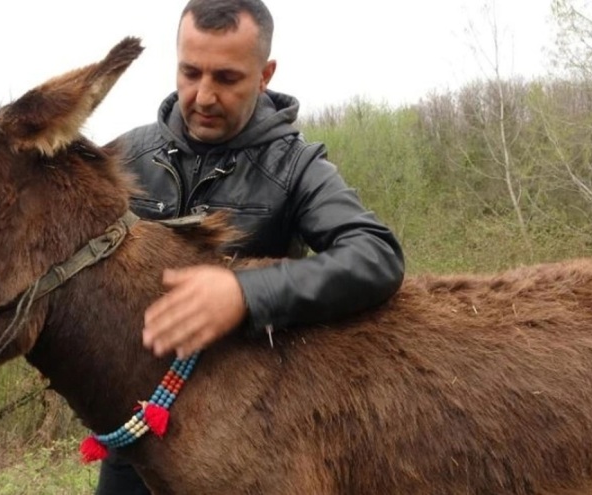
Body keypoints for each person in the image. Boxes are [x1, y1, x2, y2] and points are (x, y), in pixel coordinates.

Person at [98, 0, 405, 492]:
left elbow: (375, 255)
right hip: (138, 426)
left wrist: (246, 295)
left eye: (226, 78)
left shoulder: (297, 168)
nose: (202, 95)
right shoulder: (123, 158)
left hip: (246, 435)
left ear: (264, 75)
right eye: (190, 71)